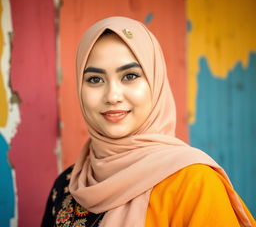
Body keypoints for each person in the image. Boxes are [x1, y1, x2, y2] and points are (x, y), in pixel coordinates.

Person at [41, 16, 255, 227]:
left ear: (156, 81)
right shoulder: (67, 186)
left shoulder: (194, 184)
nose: (112, 96)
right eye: (95, 79)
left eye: (130, 76)